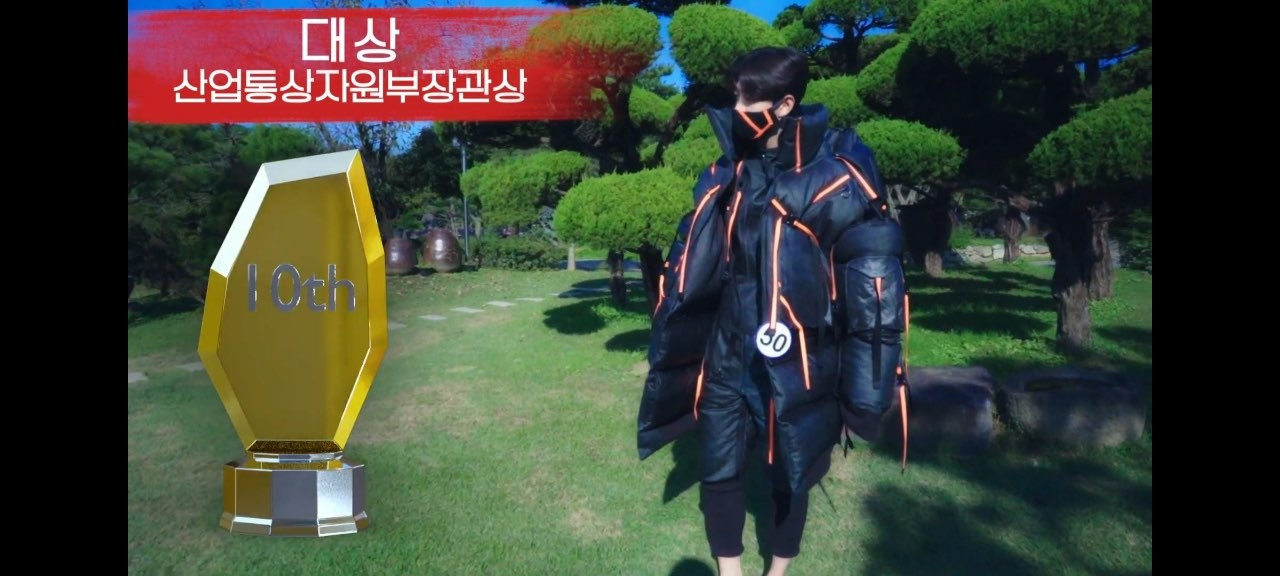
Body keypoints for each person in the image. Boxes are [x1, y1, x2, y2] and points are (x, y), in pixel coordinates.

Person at [637, 46, 909, 576]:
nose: (736, 108)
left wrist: (867, 391)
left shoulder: (837, 176)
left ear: (785, 104)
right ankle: (730, 571)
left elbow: (873, 294)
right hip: (726, 349)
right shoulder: (727, 170)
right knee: (718, 464)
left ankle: (777, 571)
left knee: (792, 468)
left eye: (748, 99)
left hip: (797, 354)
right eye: (734, 97)